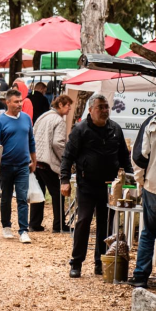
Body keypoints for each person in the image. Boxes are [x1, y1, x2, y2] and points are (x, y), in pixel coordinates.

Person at [60, 93, 131, 278]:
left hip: (110, 187)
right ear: (90, 110)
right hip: (87, 184)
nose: (104, 110)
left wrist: (130, 183)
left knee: (106, 225)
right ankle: (76, 262)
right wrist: (65, 180)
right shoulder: (80, 129)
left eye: (106, 107)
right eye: (100, 107)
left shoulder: (115, 129)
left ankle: (101, 262)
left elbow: (124, 156)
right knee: (83, 221)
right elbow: (67, 156)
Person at [0, 88, 36, 244]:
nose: (19, 104)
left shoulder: (26, 119)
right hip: (6, 165)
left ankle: (23, 230)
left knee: (22, 198)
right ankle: (6, 226)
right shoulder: (0, 121)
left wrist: (34, 160)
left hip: (23, 164)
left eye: (21, 101)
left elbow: (31, 140)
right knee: (6, 197)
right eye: (16, 101)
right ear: (8, 102)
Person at [129, 108, 156, 288]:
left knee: (149, 232)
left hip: (155, 185)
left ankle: (140, 276)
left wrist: (141, 181)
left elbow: (138, 156)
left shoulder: (152, 122)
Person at [29, 94, 73, 233]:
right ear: (60, 105)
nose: (69, 109)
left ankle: (34, 223)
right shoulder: (59, 120)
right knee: (57, 193)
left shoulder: (43, 116)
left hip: (37, 159)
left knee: (39, 193)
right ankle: (59, 225)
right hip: (48, 161)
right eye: (67, 106)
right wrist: (65, 159)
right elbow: (58, 143)